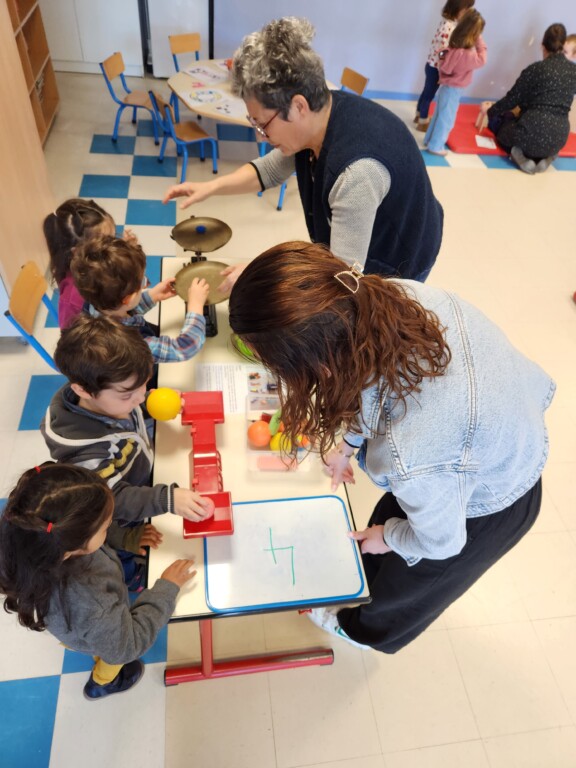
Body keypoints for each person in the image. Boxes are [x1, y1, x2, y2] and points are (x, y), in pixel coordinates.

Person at [228, 241, 555, 653]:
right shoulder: (389, 296)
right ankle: (364, 578)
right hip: (479, 443)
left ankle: (358, 631)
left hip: (490, 503)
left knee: (403, 586)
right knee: (384, 539)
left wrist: (388, 536)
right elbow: (370, 379)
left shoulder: (411, 457)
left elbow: (441, 542)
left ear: (317, 365)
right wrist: (347, 446)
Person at [163, 17, 443, 287]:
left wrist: (260, 272)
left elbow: (343, 276)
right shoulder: (318, 117)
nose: (261, 135)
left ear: (298, 106)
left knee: (369, 307)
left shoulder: (356, 173)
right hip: (363, 242)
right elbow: (269, 170)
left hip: (400, 255)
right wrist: (209, 188)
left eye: (262, 124)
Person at [40, 315, 214, 590]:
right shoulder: (85, 452)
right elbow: (115, 498)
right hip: (117, 517)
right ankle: (132, 577)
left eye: (143, 385)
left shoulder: (104, 390)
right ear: (83, 390)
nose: (141, 396)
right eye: (127, 395)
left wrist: (148, 405)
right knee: (125, 549)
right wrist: (167, 499)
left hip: (137, 476)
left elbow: (130, 408)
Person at [0, 462, 197, 700]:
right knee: (111, 658)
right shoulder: (93, 605)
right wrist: (166, 588)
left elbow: (93, 532)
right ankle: (102, 683)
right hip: (103, 635)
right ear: (75, 543)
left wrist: (127, 537)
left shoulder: (30, 533)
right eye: (106, 527)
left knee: (104, 640)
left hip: (85, 624)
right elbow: (127, 646)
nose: (109, 527)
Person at [70, 234, 209, 363]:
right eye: (143, 282)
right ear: (128, 299)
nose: (146, 284)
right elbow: (183, 348)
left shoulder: (95, 304)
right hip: (142, 374)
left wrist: (153, 296)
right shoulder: (132, 344)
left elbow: (121, 309)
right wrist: (195, 306)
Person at [485, 23, 576, 174]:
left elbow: (511, 100)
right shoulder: (574, 71)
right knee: (539, 137)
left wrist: (490, 112)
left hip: (529, 133)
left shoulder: (535, 69)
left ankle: (520, 156)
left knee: (500, 125)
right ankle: (546, 157)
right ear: (562, 45)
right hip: (559, 138)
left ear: (543, 46)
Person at [43, 199, 139, 329]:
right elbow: (72, 337)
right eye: (106, 242)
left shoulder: (96, 264)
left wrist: (126, 255)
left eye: (113, 238)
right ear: (77, 252)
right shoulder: (73, 300)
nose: (114, 245)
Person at [424, 9, 487, 156]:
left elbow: (440, 54)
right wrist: (479, 40)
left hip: (445, 86)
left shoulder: (451, 48)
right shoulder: (468, 55)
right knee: (447, 119)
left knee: (439, 115)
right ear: (474, 34)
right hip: (454, 90)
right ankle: (436, 146)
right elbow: (483, 59)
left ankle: (430, 140)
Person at [414, 0, 476, 132]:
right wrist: (443, 70)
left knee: (426, 92)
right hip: (436, 68)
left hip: (431, 64)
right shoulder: (449, 27)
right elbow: (443, 51)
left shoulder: (446, 22)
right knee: (428, 95)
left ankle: (418, 115)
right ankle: (422, 121)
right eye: (465, 10)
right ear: (456, 9)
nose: (467, 13)